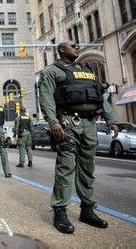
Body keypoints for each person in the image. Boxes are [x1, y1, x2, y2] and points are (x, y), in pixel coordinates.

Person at [38, 42, 119, 234]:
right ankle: (60, 211)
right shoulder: (52, 71)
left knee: (87, 168)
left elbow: (101, 97)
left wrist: (111, 120)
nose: (76, 46)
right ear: (61, 50)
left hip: (90, 124)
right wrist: (53, 121)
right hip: (67, 123)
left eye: (76, 45)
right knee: (66, 167)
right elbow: (46, 96)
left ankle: (87, 210)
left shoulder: (88, 71)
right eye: (71, 45)